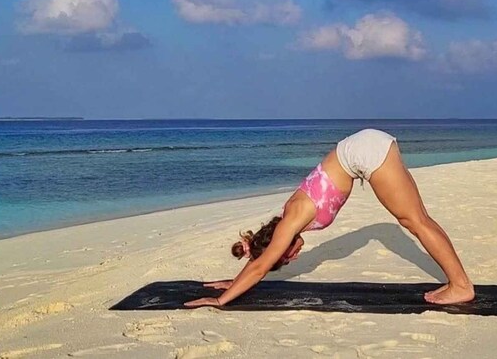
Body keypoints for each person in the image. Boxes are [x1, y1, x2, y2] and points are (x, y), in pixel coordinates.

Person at [184, 128, 474, 307]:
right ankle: (459, 282)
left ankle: (460, 286)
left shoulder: (292, 219)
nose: (294, 257)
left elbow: (262, 265)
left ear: (281, 244)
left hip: (365, 153)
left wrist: (222, 299)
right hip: (365, 148)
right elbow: (262, 258)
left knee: (415, 221)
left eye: (288, 257)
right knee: (419, 218)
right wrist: (235, 280)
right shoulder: (287, 223)